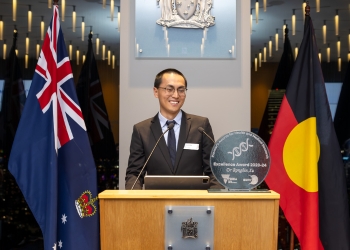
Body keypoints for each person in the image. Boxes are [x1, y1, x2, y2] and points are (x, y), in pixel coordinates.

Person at [125, 68, 222, 189]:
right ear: (156, 92)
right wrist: (135, 201)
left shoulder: (201, 126)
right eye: (169, 89)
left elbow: (214, 172)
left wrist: (214, 200)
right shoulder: (141, 130)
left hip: (195, 204)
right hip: (155, 203)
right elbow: (134, 174)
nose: (176, 95)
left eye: (181, 90)